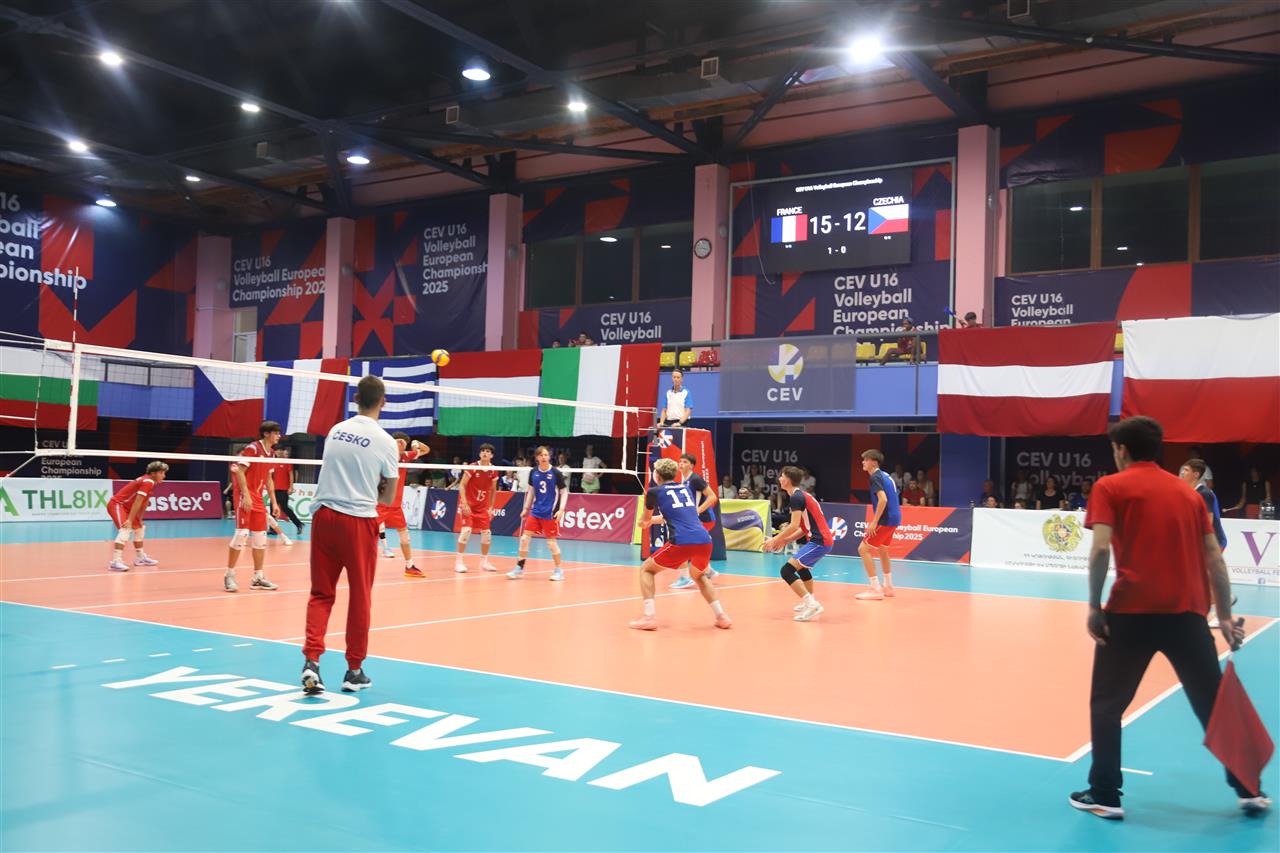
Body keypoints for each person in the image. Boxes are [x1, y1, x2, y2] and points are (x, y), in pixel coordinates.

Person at [1072, 416, 1267, 820]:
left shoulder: (1110, 487)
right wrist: (1225, 616)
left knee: (1107, 705)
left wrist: (1093, 606)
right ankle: (1250, 790)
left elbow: (1100, 549)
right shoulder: (1188, 495)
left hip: (1129, 613)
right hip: (1187, 616)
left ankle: (1105, 794)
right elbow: (1214, 558)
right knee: (1213, 704)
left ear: (1122, 450)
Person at [300, 375, 400, 696]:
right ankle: (354, 671)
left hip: (324, 517)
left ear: (355, 399)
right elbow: (388, 498)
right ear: (383, 402)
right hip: (357, 522)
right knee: (360, 597)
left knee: (321, 593)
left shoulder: (335, 430)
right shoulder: (386, 441)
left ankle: (312, 662)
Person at [628, 458, 731, 631]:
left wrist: (643, 522)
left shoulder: (653, 491)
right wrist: (650, 521)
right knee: (699, 576)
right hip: (704, 540)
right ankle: (721, 616)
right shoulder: (685, 488)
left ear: (657, 475)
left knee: (647, 569)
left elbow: (645, 520)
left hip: (682, 541)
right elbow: (673, 515)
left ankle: (649, 617)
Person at [763, 465, 834, 622]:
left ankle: (812, 605)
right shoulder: (801, 496)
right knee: (802, 569)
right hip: (820, 540)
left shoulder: (796, 498)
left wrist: (775, 539)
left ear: (787, 480)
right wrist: (784, 541)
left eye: (782, 476)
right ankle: (810, 600)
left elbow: (793, 525)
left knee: (786, 571)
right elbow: (803, 528)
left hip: (819, 541)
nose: (779, 478)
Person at [225, 422, 283, 593]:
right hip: (245, 495)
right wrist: (246, 494)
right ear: (266, 434)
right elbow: (240, 471)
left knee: (260, 538)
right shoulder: (253, 448)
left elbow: (269, 479)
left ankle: (258, 577)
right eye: (276, 433)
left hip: (258, 497)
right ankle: (229, 575)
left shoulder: (272, 453)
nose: (279, 436)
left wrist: (273, 502)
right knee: (241, 535)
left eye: (279, 433)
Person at [1180, 458, 1232, 627]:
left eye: (1186, 470)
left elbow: (1207, 521)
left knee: (1208, 578)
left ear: (1196, 474)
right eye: (1182, 470)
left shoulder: (1204, 493)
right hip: (1200, 543)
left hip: (1214, 542)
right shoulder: (1189, 492)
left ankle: (1219, 611)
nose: (1182, 473)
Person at [509, 445, 568, 581]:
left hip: (550, 512)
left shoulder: (555, 472)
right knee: (524, 539)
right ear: (537, 457)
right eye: (541, 455)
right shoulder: (533, 472)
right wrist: (526, 508)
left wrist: (561, 509)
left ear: (549, 457)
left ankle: (559, 570)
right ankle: (519, 568)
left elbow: (564, 492)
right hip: (536, 511)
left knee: (551, 543)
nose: (544, 457)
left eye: (546, 455)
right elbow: (531, 491)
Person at [669, 453, 720, 589]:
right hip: (694, 520)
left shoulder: (695, 479)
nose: (681, 464)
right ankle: (708, 571)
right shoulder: (684, 481)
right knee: (691, 547)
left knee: (682, 544)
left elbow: (712, 497)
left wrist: (697, 511)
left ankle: (686, 578)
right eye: (680, 461)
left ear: (691, 466)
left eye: (685, 462)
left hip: (704, 519)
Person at [378, 432, 427, 573]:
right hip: (380, 504)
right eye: (398, 441)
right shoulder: (384, 456)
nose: (400, 444)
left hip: (396, 507)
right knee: (364, 534)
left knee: (405, 535)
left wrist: (416, 443)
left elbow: (426, 450)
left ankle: (409, 565)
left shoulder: (406, 456)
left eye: (403, 443)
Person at [107, 461, 168, 571]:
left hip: (126, 508)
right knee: (125, 529)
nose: (164, 476)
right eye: (161, 473)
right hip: (117, 505)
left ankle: (140, 558)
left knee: (140, 528)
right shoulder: (148, 481)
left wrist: (139, 519)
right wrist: (130, 520)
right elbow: (138, 501)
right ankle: (115, 562)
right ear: (153, 473)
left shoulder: (151, 482)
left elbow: (144, 502)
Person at [857, 449, 900, 601]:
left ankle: (875, 589)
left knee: (863, 549)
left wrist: (874, 522)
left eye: (865, 459)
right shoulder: (886, 475)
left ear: (873, 463)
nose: (863, 462)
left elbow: (883, 499)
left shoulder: (875, 477)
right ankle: (888, 587)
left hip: (885, 519)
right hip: (895, 518)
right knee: (882, 549)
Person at [456, 443, 500, 574]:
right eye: (483, 451)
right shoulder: (473, 467)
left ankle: (484, 562)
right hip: (469, 505)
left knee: (487, 534)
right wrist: (464, 503)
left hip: (482, 507)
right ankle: (459, 562)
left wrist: (491, 507)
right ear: (480, 453)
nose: (485, 453)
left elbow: (493, 490)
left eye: (488, 451)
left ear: (492, 455)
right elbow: (462, 485)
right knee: (466, 531)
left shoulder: (493, 470)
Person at [272, 446, 305, 536]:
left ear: (282, 451)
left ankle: (299, 524)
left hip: (283, 490)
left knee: (285, 508)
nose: (278, 452)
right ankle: (273, 529)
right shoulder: (273, 461)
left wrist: (291, 487)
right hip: (274, 489)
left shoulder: (287, 462)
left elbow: (291, 475)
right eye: (277, 450)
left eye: (280, 450)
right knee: (272, 508)